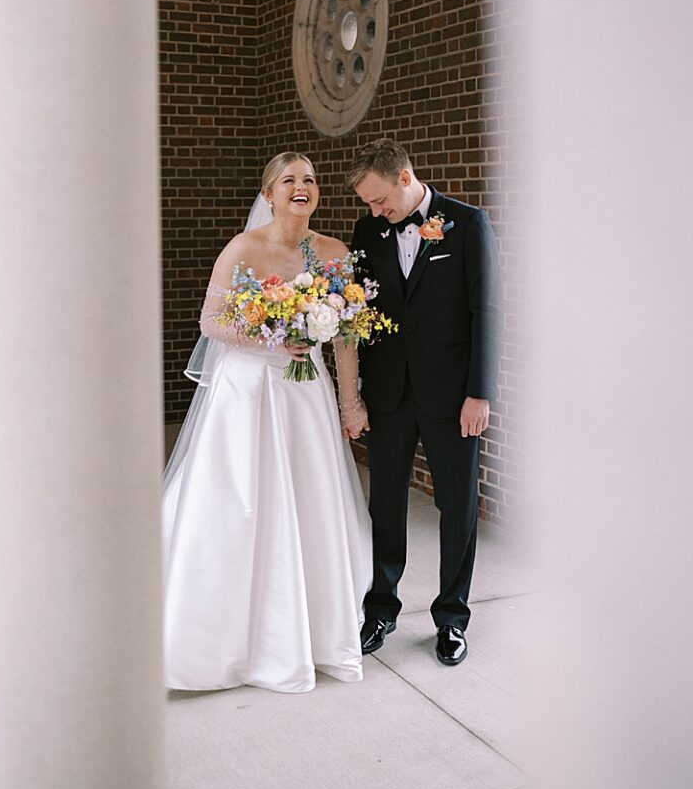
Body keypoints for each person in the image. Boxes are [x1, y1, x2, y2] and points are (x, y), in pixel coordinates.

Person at [162, 152, 372, 693]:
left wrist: (350, 403)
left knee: (310, 500)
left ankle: (315, 634)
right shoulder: (244, 248)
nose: (301, 188)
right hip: (248, 391)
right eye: (289, 181)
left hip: (307, 394)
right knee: (240, 503)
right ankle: (223, 640)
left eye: (309, 180)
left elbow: (346, 336)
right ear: (270, 193)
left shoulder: (335, 253)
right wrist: (272, 337)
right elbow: (211, 320)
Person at [347, 138, 500, 666]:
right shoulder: (368, 232)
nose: (374, 212)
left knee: (456, 508)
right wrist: (358, 393)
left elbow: (486, 312)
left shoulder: (468, 223)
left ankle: (452, 619)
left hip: (454, 397)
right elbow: (359, 313)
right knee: (384, 505)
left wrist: (479, 392)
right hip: (389, 394)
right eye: (368, 204)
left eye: (380, 199)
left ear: (405, 177)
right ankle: (381, 609)